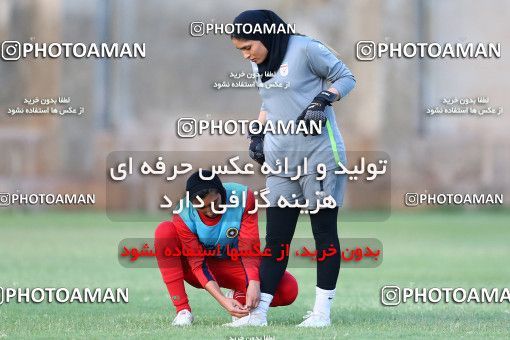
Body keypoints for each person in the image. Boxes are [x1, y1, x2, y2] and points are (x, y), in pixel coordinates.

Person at [229, 9, 356, 327]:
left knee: (323, 234)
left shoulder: (306, 49)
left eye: (248, 47)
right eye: (240, 50)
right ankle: (258, 315)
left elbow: (346, 77)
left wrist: (323, 99)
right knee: (276, 239)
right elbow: (268, 102)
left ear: (265, 35)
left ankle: (321, 313)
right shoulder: (261, 63)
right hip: (282, 160)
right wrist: (257, 134)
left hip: (320, 156)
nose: (246, 55)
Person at [154, 170, 298, 326]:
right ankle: (183, 311)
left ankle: (240, 296)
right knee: (164, 231)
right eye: (202, 208)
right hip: (196, 269)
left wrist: (254, 282)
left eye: (215, 203)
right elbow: (197, 263)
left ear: (221, 192)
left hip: (232, 263)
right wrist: (222, 300)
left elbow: (248, 248)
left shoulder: (243, 197)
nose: (210, 211)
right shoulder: (183, 214)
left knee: (288, 289)